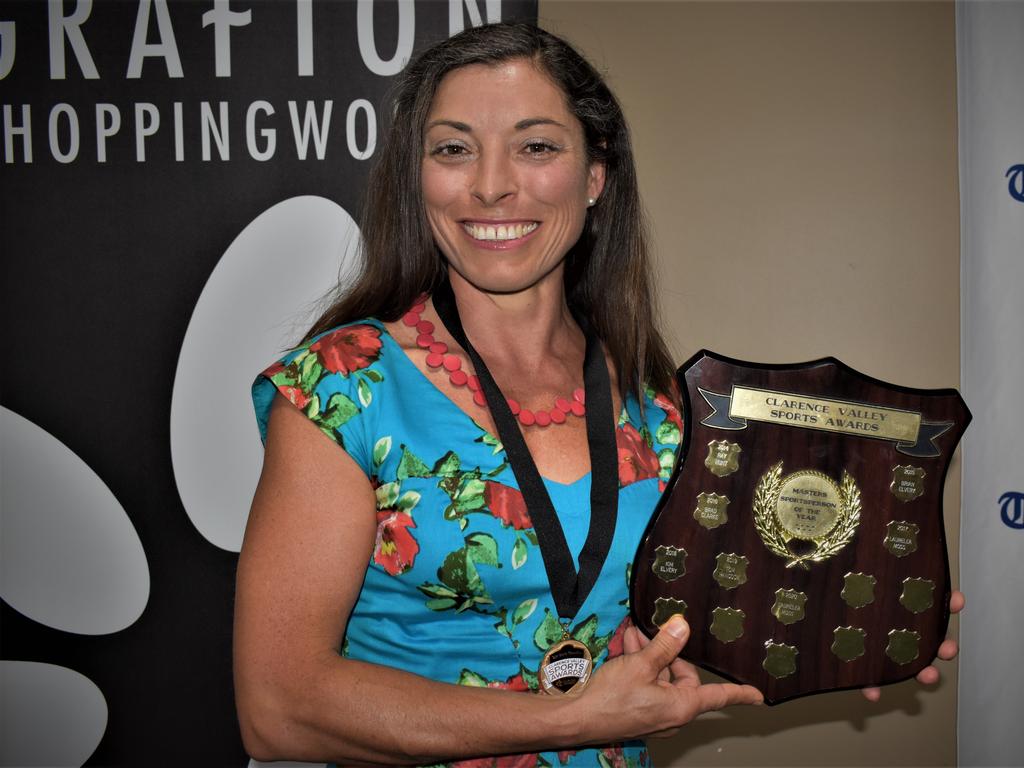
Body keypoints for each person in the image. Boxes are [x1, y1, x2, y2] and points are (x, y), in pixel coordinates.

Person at [234, 21, 960, 767]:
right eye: (453, 148)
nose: (490, 184)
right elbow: (280, 709)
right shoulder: (341, 388)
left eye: (536, 146)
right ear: (415, 177)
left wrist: (853, 620)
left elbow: (709, 596)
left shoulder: (663, 403)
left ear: (594, 175)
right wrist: (568, 718)